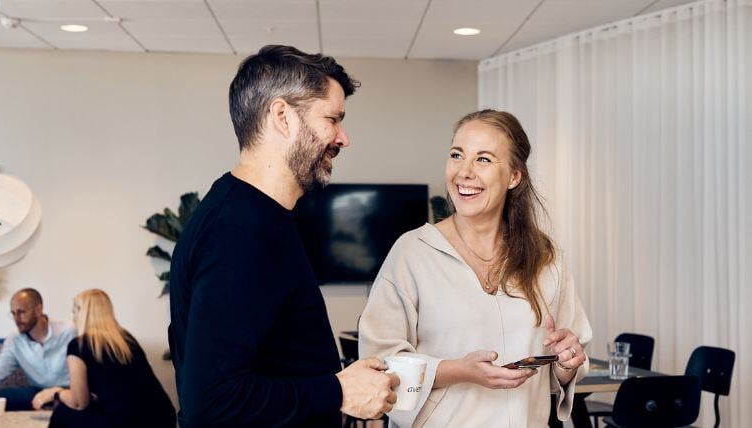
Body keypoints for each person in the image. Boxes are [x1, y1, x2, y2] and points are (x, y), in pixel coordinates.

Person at [169, 44, 398, 427]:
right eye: (332, 119)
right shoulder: (238, 231)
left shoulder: (257, 217)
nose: (343, 138)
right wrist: (340, 392)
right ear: (282, 116)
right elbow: (211, 403)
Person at [358, 109, 593, 427]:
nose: (463, 172)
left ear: (513, 177)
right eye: (457, 155)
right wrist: (457, 370)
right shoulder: (412, 253)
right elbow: (379, 365)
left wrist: (567, 361)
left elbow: (563, 367)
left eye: (483, 159)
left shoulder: (546, 258)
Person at [49, 289, 175, 428]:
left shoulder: (77, 345)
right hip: (163, 417)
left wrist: (56, 394)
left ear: (81, 312)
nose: (73, 317)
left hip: (127, 423)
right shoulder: (126, 339)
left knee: (61, 412)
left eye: (74, 311)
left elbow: (79, 403)